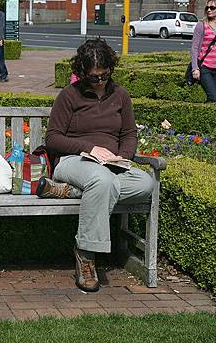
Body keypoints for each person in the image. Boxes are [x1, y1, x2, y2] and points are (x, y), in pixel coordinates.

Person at [37, 39, 154, 293]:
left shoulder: (120, 95)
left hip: (110, 166)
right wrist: (89, 149)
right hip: (72, 162)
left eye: (104, 75)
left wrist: (121, 157)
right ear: (82, 72)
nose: (100, 81)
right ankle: (86, 255)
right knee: (101, 181)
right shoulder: (69, 96)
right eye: (93, 77)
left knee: (145, 183)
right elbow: (53, 139)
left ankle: (69, 191)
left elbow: (129, 134)